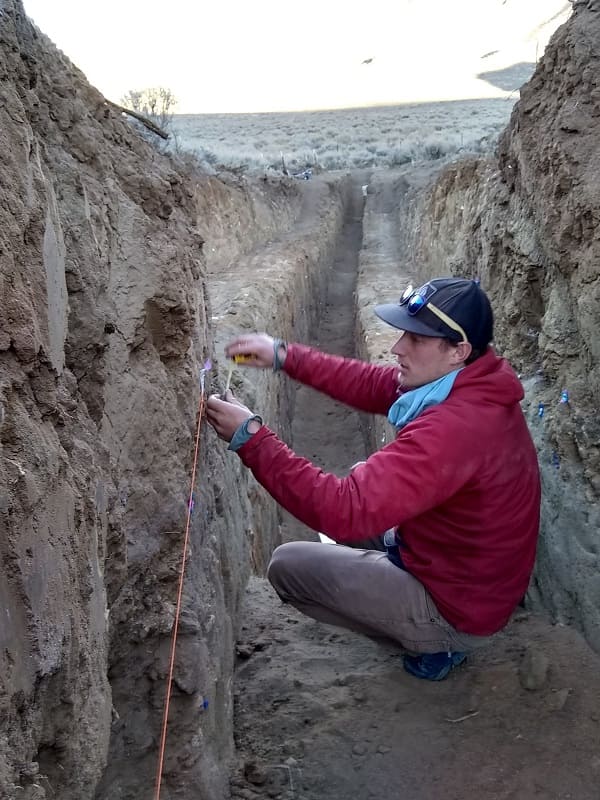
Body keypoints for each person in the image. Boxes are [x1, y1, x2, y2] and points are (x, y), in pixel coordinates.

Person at [206, 277, 541, 681]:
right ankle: (398, 585)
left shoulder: (457, 428)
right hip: (455, 564)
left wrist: (251, 439)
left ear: (458, 351)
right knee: (366, 498)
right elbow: (375, 385)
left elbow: (343, 511)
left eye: (416, 339)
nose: (398, 347)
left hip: (458, 607)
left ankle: (439, 644)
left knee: (288, 566)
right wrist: (282, 355)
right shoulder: (470, 383)